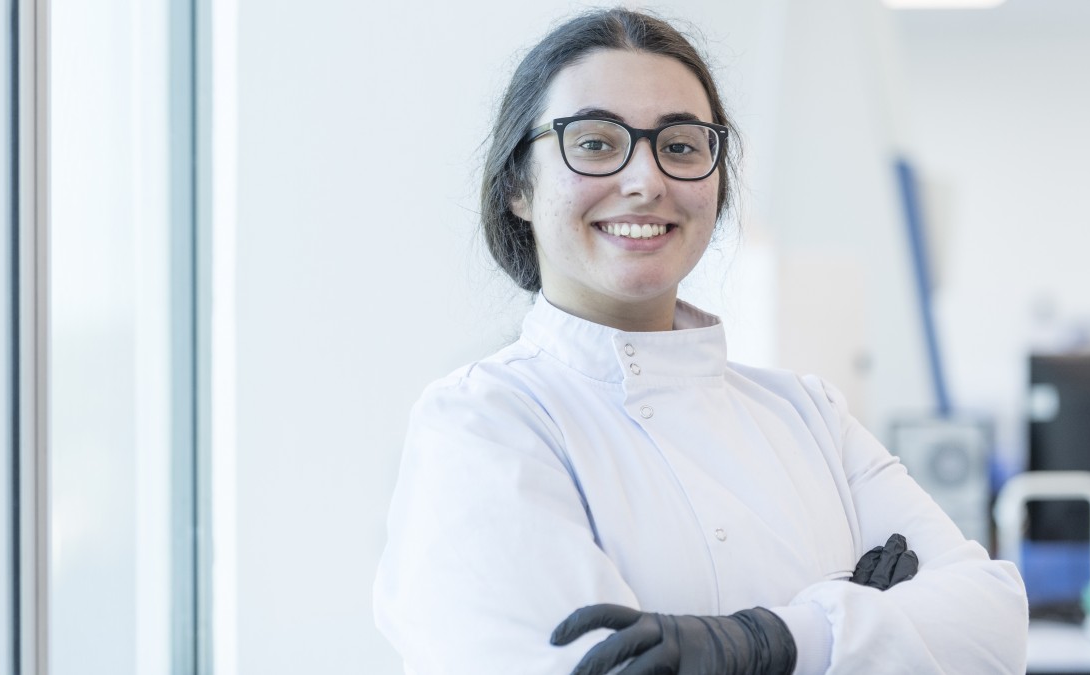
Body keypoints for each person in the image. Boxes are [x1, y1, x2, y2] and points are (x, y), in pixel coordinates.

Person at [374, 8, 1028, 674]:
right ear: (518, 183)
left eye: (681, 145)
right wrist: (866, 623)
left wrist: (768, 640)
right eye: (596, 142)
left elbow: (995, 627)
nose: (646, 179)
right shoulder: (482, 424)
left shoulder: (809, 416)